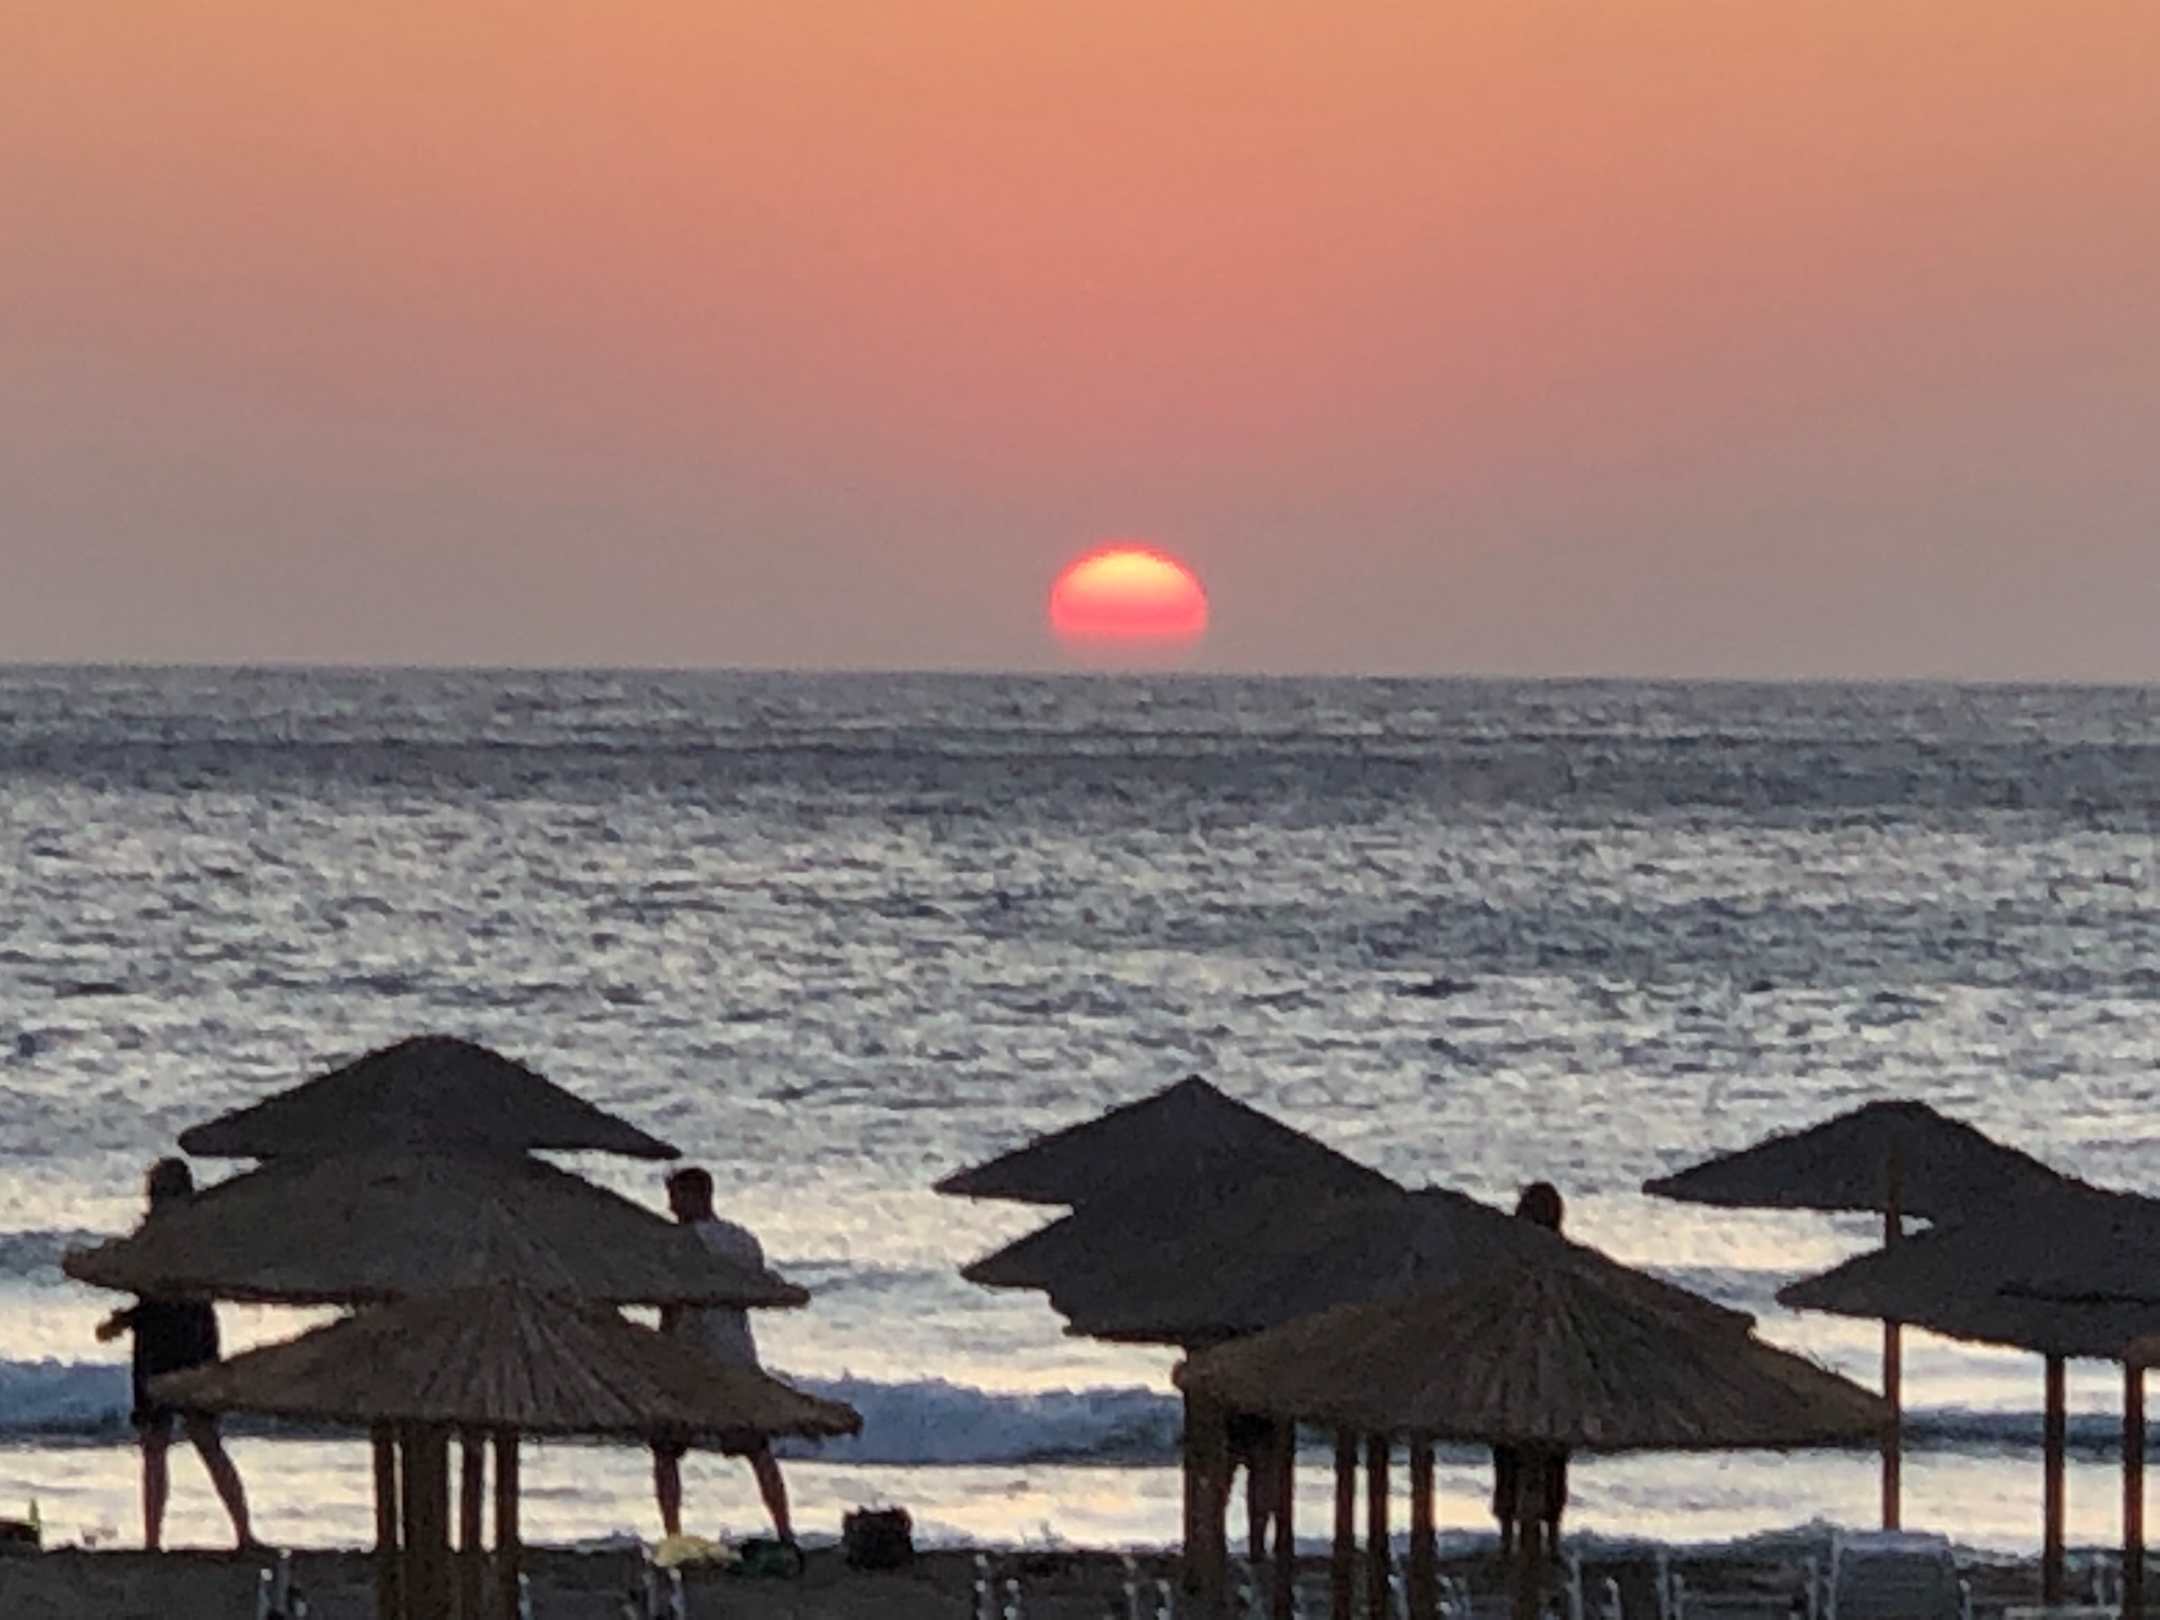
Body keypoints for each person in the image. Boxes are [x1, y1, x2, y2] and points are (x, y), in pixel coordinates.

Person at [94, 1158, 256, 1552]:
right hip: (183, 1339)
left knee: (187, 1441)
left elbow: (159, 1297)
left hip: (174, 1343)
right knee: (179, 1443)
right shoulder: (191, 1237)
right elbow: (162, 1296)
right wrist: (125, 1319)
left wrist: (125, 1320)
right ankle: (171, 1539)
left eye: (158, 1192)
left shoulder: (168, 1240)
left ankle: (223, 1535)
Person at [652, 1167, 794, 1544]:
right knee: (757, 1450)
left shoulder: (679, 1243)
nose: (671, 1207)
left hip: (692, 1357)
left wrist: (661, 1351)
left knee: (666, 1450)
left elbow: (670, 1302)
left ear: (696, 1196)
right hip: (737, 1353)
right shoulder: (743, 1241)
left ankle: (672, 1532)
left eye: (676, 1198)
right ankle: (784, 1529)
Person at [1492, 1181, 1567, 1559]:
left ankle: (1510, 1541)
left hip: (1515, 1379)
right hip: (1554, 1380)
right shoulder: (1569, 1265)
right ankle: (1549, 1542)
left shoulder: (1508, 1264)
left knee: (1509, 1461)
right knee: (1551, 1462)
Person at [1221, 1410, 1281, 1561]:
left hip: (1231, 1416)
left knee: (1217, 1485)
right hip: (1264, 1417)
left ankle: (1211, 1543)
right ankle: (1258, 1547)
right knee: (1263, 1483)